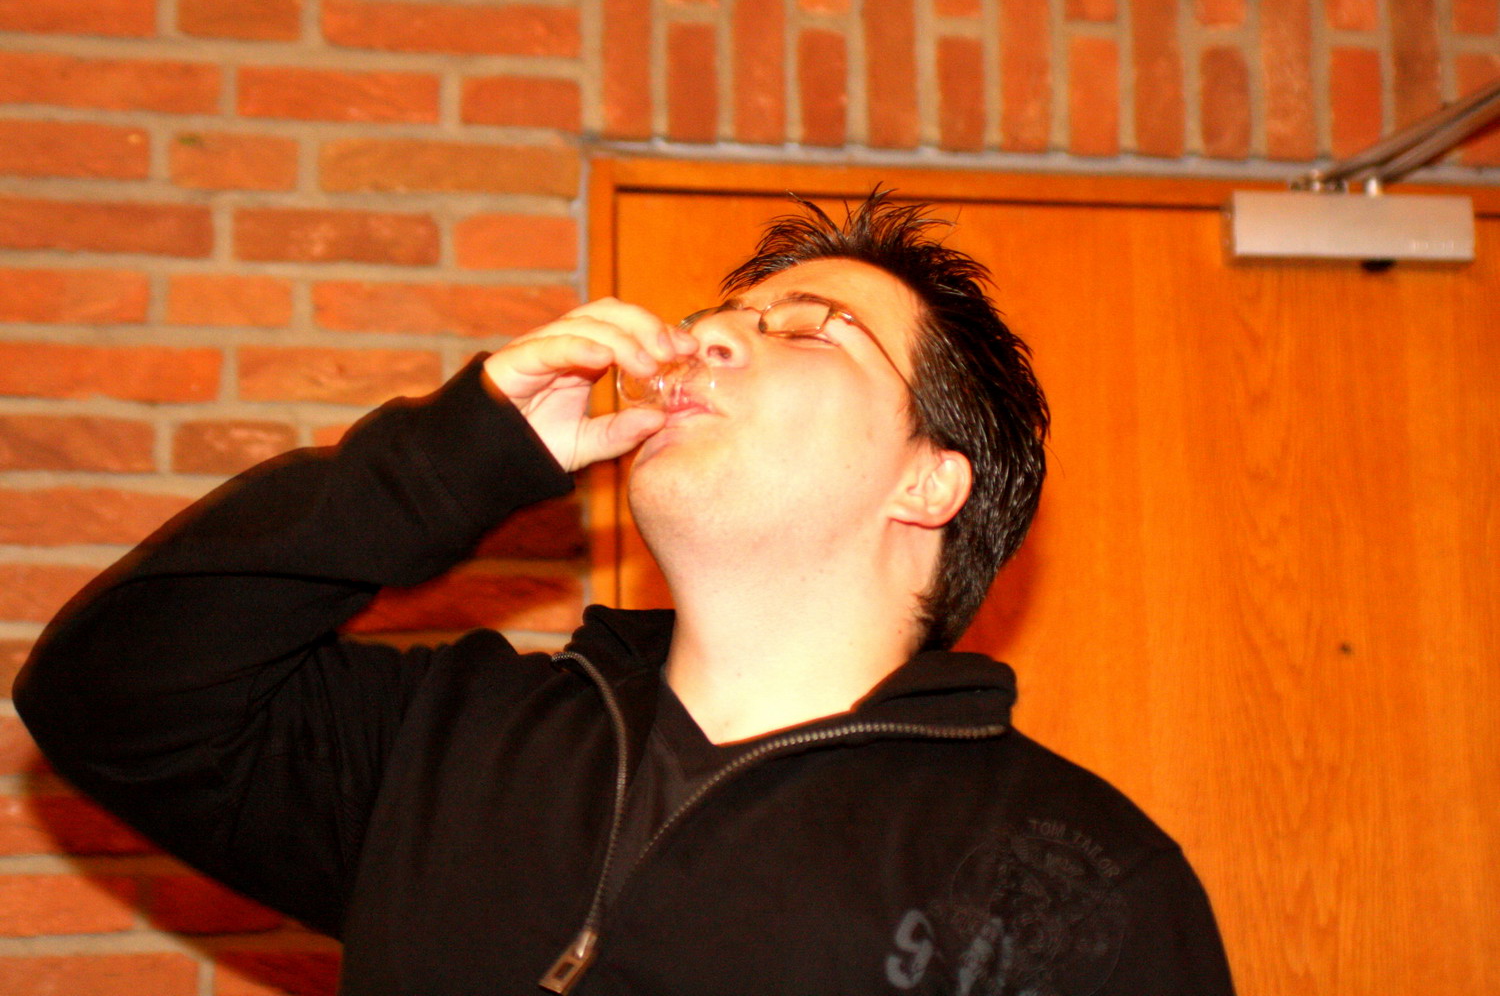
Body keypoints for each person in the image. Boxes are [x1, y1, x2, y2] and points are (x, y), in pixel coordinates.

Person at [15, 193, 1235, 995]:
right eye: (719, 318)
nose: (707, 339)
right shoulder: (446, 741)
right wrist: (460, 453)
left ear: (929, 480)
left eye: (807, 331)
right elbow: (108, 691)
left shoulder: (1071, 873)